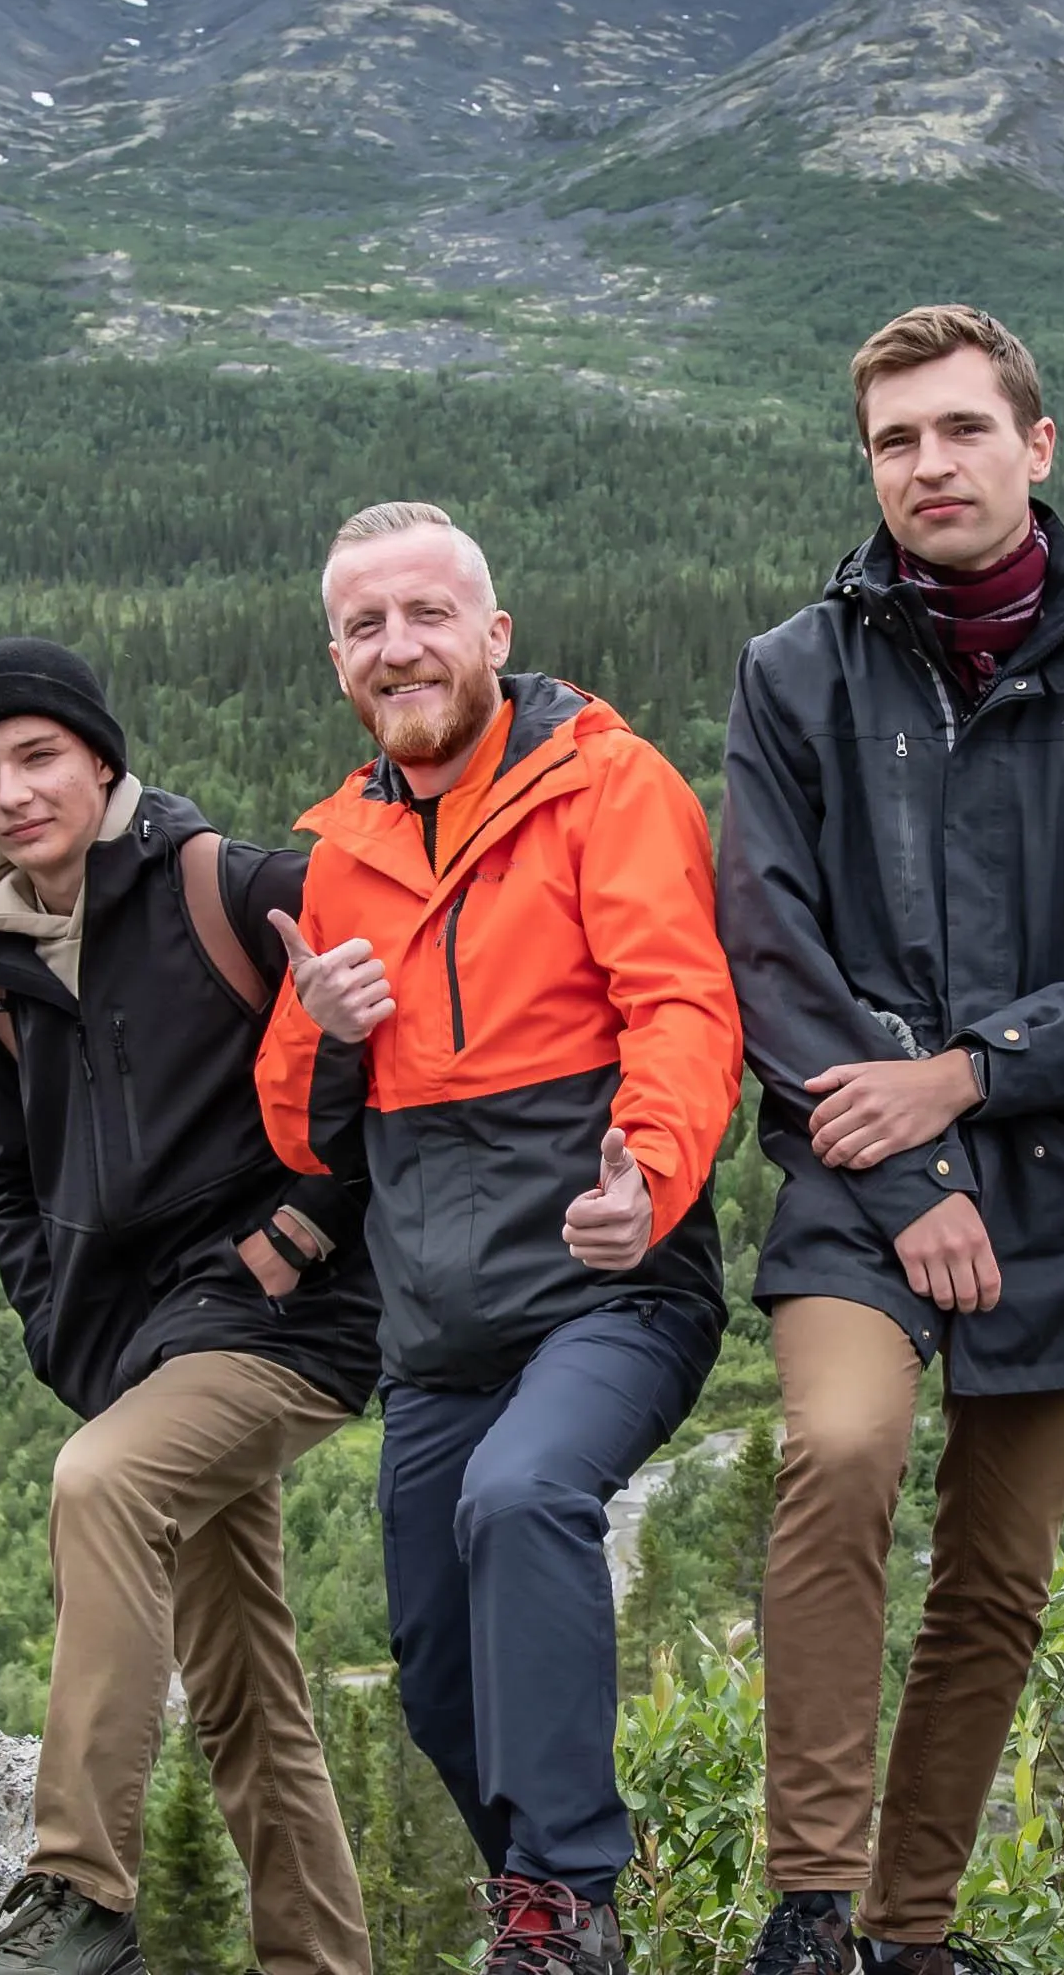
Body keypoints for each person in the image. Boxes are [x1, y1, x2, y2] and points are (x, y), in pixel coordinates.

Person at [714, 306, 1064, 1975]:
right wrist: (915, 1155)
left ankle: (910, 1932)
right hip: (858, 1174)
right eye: (895, 440)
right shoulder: (798, 671)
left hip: (1061, 1183)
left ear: (1038, 446)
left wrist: (970, 1080)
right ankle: (812, 1903)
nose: (929, 464)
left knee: (998, 1576)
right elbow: (770, 948)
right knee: (843, 1451)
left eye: (960, 430)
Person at [255, 502, 747, 1975]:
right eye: (365, 628)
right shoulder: (338, 854)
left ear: (494, 634)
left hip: (614, 1283)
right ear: (339, 656)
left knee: (525, 1499)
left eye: (425, 616)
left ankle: (566, 1896)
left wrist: (647, 1176)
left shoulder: (612, 790)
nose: (397, 648)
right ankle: (541, 1909)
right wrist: (318, 1030)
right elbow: (300, 1132)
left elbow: (682, 1004)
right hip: (441, 1329)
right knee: (435, 1677)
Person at [0, 638, 382, 1975]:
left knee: (101, 1487)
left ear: (100, 758)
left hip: (289, 1316)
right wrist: (52, 1314)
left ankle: (77, 1891)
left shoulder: (221, 887)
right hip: (132, 1341)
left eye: (38, 756)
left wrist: (303, 1227)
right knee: (244, 1685)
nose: (10, 793)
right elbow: (8, 1176)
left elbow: (395, 1053)